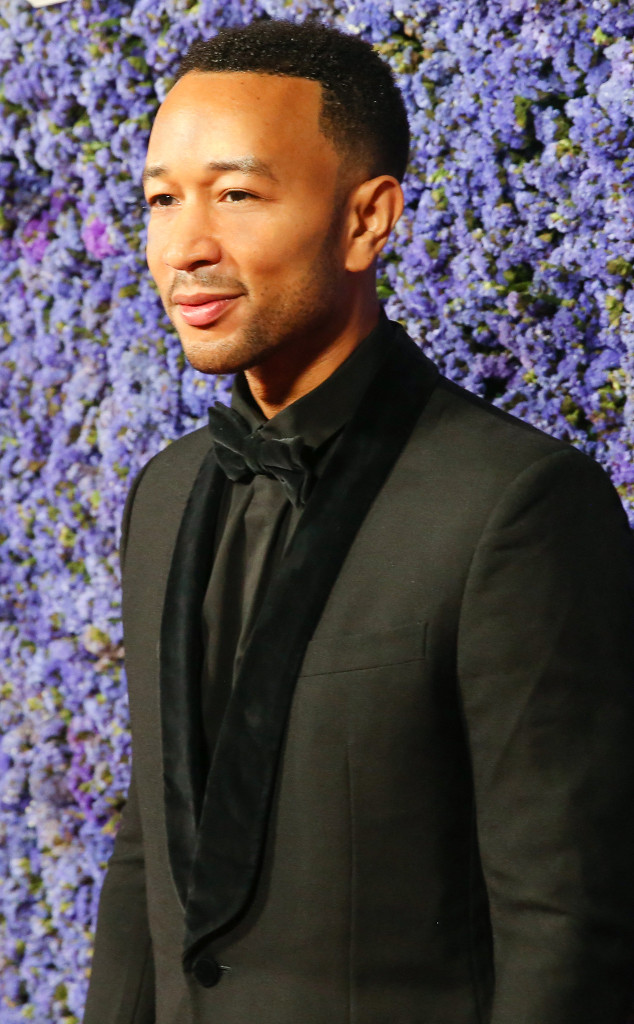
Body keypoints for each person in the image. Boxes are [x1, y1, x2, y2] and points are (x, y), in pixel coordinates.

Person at [83, 18, 634, 1024]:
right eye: (162, 199)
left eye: (236, 195)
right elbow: (151, 851)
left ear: (367, 219)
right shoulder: (163, 495)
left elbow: (567, 926)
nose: (186, 246)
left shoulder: (515, 507)